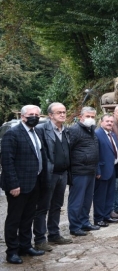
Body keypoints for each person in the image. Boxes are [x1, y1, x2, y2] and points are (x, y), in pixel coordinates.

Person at [1, 105, 47, 264]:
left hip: (34, 183)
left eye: (37, 114)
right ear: (22, 116)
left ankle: (25, 246)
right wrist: (13, 185)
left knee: (28, 217)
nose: (34, 117)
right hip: (18, 186)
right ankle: (12, 251)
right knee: (15, 219)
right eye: (31, 114)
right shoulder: (12, 134)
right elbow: (7, 162)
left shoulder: (36, 132)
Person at [33, 102, 72, 252]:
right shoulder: (42, 130)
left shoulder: (65, 130)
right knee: (42, 207)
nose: (62, 114)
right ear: (50, 115)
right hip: (49, 174)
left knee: (57, 206)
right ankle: (40, 239)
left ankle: (54, 234)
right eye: (58, 112)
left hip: (62, 173)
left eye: (64, 111)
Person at [67, 107, 100, 236]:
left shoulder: (92, 130)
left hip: (91, 170)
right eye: (88, 116)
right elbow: (68, 149)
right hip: (78, 171)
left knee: (87, 200)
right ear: (81, 117)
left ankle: (84, 222)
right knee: (77, 200)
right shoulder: (74, 130)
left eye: (92, 116)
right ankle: (75, 226)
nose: (90, 119)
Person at [93, 114, 118, 227]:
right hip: (103, 170)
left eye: (111, 121)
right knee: (100, 195)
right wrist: (98, 171)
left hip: (112, 168)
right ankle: (98, 218)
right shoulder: (97, 134)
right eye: (107, 121)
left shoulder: (113, 134)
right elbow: (96, 154)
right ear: (101, 122)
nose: (110, 123)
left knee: (110, 194)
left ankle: (107, 215)